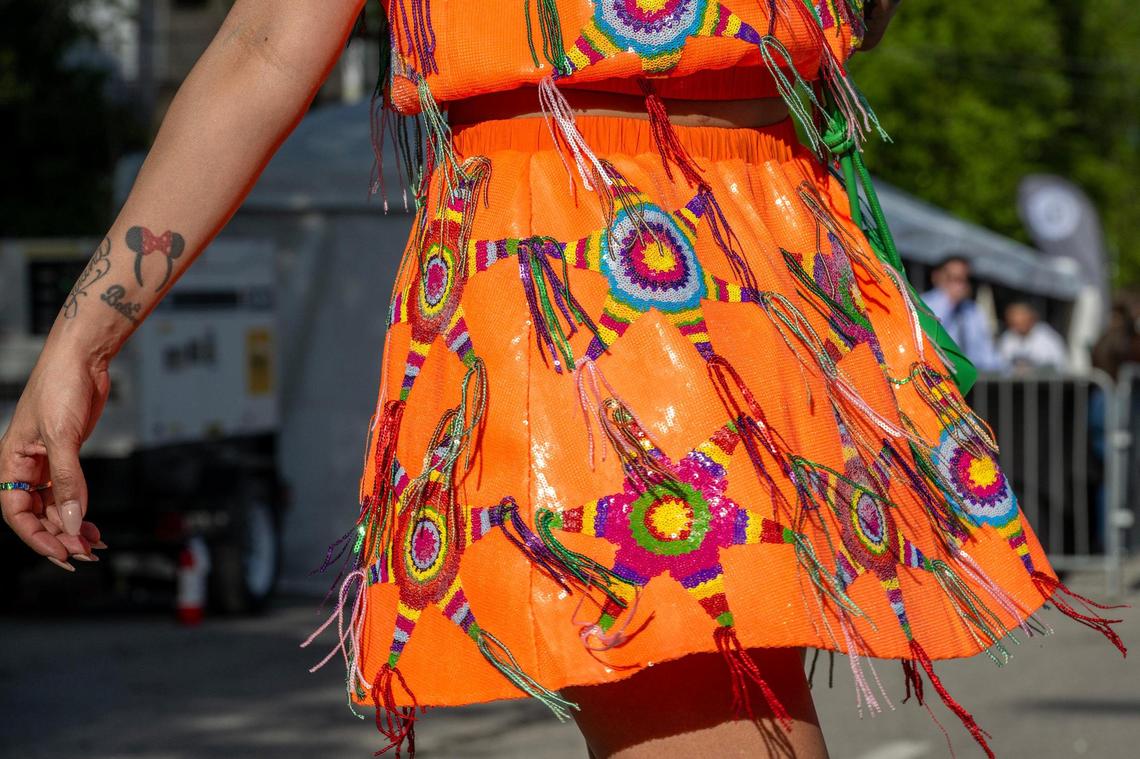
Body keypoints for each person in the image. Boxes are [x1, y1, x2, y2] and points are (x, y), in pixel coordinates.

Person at [0, 3, 1125, 759]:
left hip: (784, 225)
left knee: (734, 699)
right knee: (705, 697)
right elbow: (265, 47)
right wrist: (86, 335)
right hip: (580, 247)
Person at [921, 255, 1006, 371]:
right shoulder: (922, 303)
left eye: (963, 279)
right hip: (936, 376)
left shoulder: (974, 310)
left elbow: (985, 349)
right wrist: (949, 301)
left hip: (972, 379)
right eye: (953, 278)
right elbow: (930, 335)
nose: (959, 285)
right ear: (936, 277)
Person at [997, 301, 1069, 372]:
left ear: (1031, 318)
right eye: (1014, 323)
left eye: (1022, 320)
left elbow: (1060, 365)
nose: (1018, 326)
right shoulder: (1007, 338)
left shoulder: (1047, 337)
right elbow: (1000, 365)